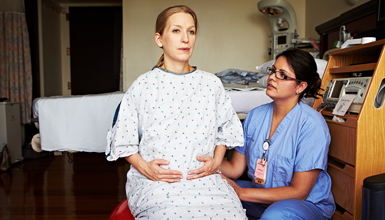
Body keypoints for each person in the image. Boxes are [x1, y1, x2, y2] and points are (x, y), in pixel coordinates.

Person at [105, 5, 247, 219]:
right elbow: (123, 141)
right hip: (157, 183)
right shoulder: (144, 85)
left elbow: (226, 129)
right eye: (176, 30)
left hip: (205, 181)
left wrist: (217, 160)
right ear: (159, 39)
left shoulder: (211, 84)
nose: (185, 39)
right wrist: (145, 168)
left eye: (191, 31)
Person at [219, 48, 336, 220]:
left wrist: (242, 193)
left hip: (304, 204)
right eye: (273, 71)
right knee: (217, 191)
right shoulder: (254, 116)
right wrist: (206, 163)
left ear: (300, 86)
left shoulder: (312, 125)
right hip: (262, 198)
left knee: (274, 215)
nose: (272, 77)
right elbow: (235, 169)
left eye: (282, 75)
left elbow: (299, 192)